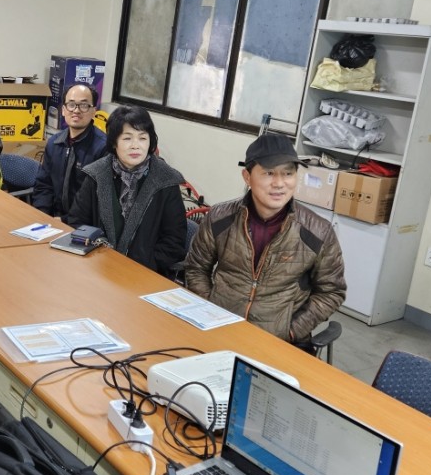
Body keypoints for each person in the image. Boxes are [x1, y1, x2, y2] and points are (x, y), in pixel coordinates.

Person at [184, 132, 346, 351]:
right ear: (247, 177)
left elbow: (332, 291)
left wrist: (291, 331)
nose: (279, 184)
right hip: (220, 330)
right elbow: (196, 268)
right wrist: (211, 310)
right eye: (269, 173)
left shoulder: (318, 231)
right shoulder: (220, 218)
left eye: (288, 173)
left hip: (279, 343)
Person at [68, 105, 186, 276]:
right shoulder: (96, 174)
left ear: (151, 142)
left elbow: (174, 242)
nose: (135, 146)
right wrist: (98, 256)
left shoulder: (166, 181)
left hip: (145, 274)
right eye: (127, 138)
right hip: (96, 267)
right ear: (114, 142)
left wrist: (143, 265)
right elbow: (77, 222)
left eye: (142, 138)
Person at [31, 82, 107, 219]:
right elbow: (43, 185)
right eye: (71, 104)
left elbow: (98, 200)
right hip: (52, 219)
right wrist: (42, 215)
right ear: (63, 110)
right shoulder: (54, 143)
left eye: (84, 105)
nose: (76, 110)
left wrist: (65, 221)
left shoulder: (103, 148)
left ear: (93, 111)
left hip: (83, 224)